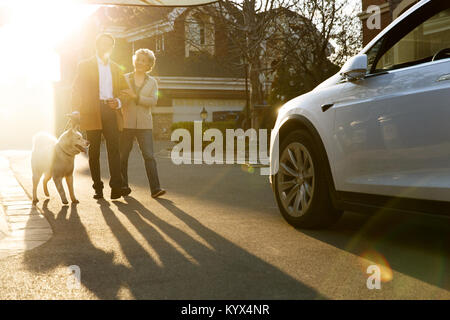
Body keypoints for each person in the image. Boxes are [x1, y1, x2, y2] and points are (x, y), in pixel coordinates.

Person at [71, 33, 128, 200]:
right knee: (94, 151)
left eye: (109, 45)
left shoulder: (117, 67)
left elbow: (125, 91)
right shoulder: (85, 65)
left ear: (112, 47)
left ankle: (116, 187)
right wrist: (75, 109)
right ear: (97, 46)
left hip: (110, 111)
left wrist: (118, 101)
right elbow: (76, 89)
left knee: (114, 150)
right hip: (91, 111)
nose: (106, 47)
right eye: (103, 44)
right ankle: (98, 188)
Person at [120, 48, 165, 199]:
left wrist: (135, 96)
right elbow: (120, 97)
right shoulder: (124, 78)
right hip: (126, 123)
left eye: (144, 61)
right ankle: (123, 186)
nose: (140, 62)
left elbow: (153, 101)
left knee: (149, 156)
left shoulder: (152, 82)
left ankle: (155, 189)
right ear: (134, 61)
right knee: (122, 156)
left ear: (149, 65)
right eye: (138, 59)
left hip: (145, 125)